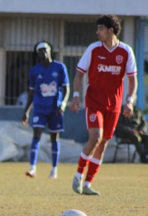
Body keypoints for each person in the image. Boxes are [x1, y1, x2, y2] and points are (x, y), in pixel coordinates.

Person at [70, 14, 138, 195]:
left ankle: (87, 184)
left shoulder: (125, 51)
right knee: (95, 137)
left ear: (111, 30)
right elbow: (78, 74)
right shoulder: (93, 49)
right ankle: (77, 176)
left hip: (114, 106)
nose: (97, 32)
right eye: (97, 28)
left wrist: (129, 101)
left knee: (104, 143)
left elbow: (133, 80)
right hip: (94, 103)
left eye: (100, 28)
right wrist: (76, 95)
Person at [22, 41, 70, 179]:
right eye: (39, 51)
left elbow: (66, 88)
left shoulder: (60, 68)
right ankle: (32, 168)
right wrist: (26, 111)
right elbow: (31, 92)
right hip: (40, 108)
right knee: (36, 134)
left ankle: (54, 170)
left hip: (55, 109)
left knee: (54, 138)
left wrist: (63, 104)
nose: (42, 53)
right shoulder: (34, 70)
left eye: (44, 50)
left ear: (50, 51)